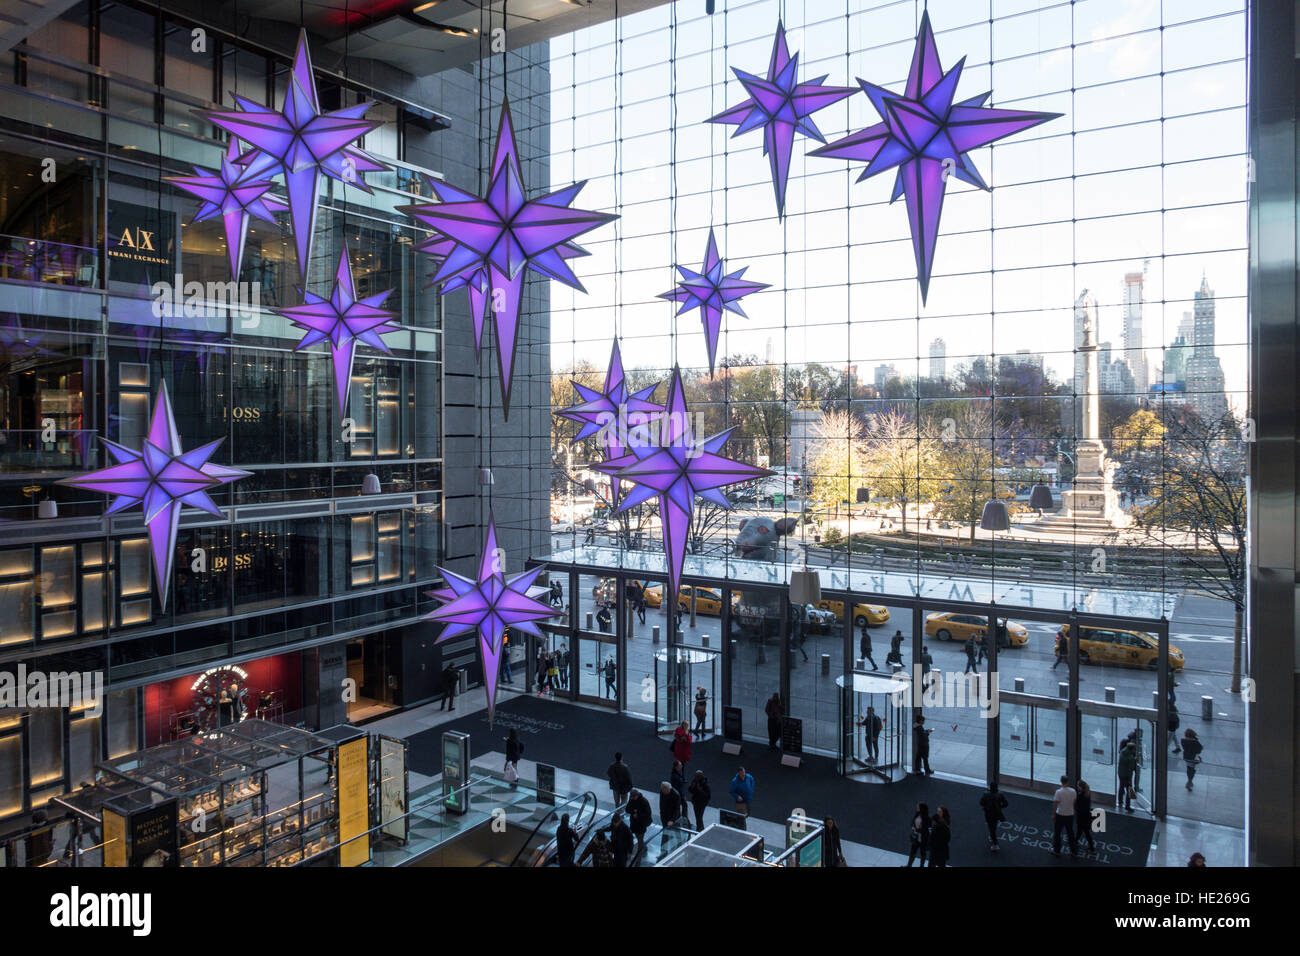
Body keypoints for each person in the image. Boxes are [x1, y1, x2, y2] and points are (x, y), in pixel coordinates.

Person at [1052, 774, 1078, 856]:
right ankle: (1073, 850)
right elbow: (1074, 802)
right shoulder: (1073, 791)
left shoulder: (1059, 792)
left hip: (1060, 814)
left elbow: (1056, 804)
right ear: (1068, 782)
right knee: (1070, 832)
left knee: (1057, 832)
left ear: (1061, 781)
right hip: (1070, 814)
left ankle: (1057, 850)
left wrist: (1054, 814)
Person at [906, 802, 930, 867]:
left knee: (922, 853)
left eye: (918, 807)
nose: (917, 808)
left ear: (921, 808)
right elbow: (913, 822)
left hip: (923, 839)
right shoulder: (917, 814)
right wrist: (913, 827)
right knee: (912, 851)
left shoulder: (927, 818)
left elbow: (927, 829)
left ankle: (921, 866)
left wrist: (918, 830)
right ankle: (909, 865)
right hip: (915, 837)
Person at [1118, 740, 1139, 811]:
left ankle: (1120, 801)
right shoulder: (1128, 755)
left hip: (1121, 774)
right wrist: (1134, 759)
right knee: (1129, 790)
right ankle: (1127, 805)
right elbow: (1129, 766)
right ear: (1132, 749)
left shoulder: (1124, 751)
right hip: (1126, 775)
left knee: (1121, 787)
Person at [1076, 780, 1096, 852]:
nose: (1077, 787)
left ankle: (1091, 847)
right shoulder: (1087, 793)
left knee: (1084, 832)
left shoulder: (1080, 795)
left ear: (1081, 787)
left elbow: (1077, 805)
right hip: (1086, 816)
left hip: (1082, 817)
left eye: (1078, 786)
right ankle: (1075, 841)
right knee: (1083, 831)